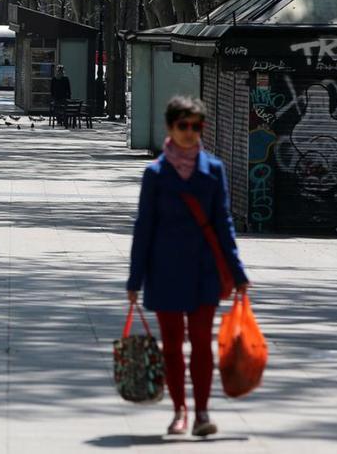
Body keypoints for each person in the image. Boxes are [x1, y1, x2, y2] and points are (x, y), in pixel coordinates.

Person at [126, 96, 250, 438]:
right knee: (172, 345)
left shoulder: (214, 170)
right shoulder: (156, 175)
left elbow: (223, 223)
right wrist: (134, 279)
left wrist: (238, 272)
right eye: (184, 126)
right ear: (170, 128)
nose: (190, 133)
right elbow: (144, 227)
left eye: (197, 126)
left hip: (204, 271)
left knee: (200, 343)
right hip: (164, 271)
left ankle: (202, 412)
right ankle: (179, 410)